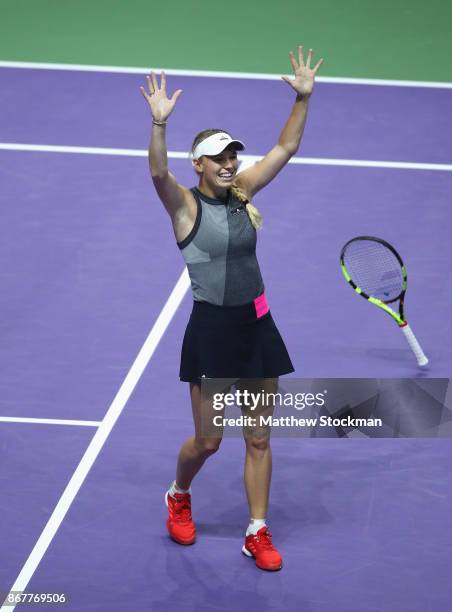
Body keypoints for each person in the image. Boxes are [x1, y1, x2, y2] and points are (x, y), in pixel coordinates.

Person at [140, 46, 323, 571]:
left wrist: (304, 98)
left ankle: (256, 530)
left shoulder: (242, 192)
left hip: (257, 326)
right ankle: (178, 493)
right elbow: (157, 174)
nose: (229, 164)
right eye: (218, 158)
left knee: (260, 437)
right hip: (214, 332)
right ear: (197, 165)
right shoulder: (184, 205)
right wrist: (158, 125)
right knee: (209, 440)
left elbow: (286, 146)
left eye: (232, 155)